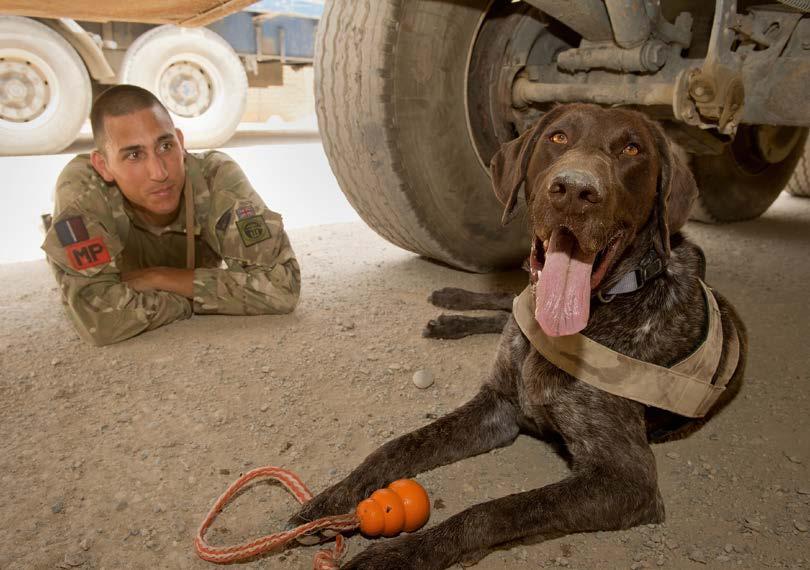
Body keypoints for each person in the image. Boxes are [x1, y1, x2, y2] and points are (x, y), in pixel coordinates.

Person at [41, 85, 301, 346]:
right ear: (103, 165)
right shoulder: (83, 191)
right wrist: (191, 299)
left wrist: (158, 278)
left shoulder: (215, 177)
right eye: (134, 155)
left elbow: (282, 288)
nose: (159, 172)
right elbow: (100, 320)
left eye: (165, 146)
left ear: (180, 142)